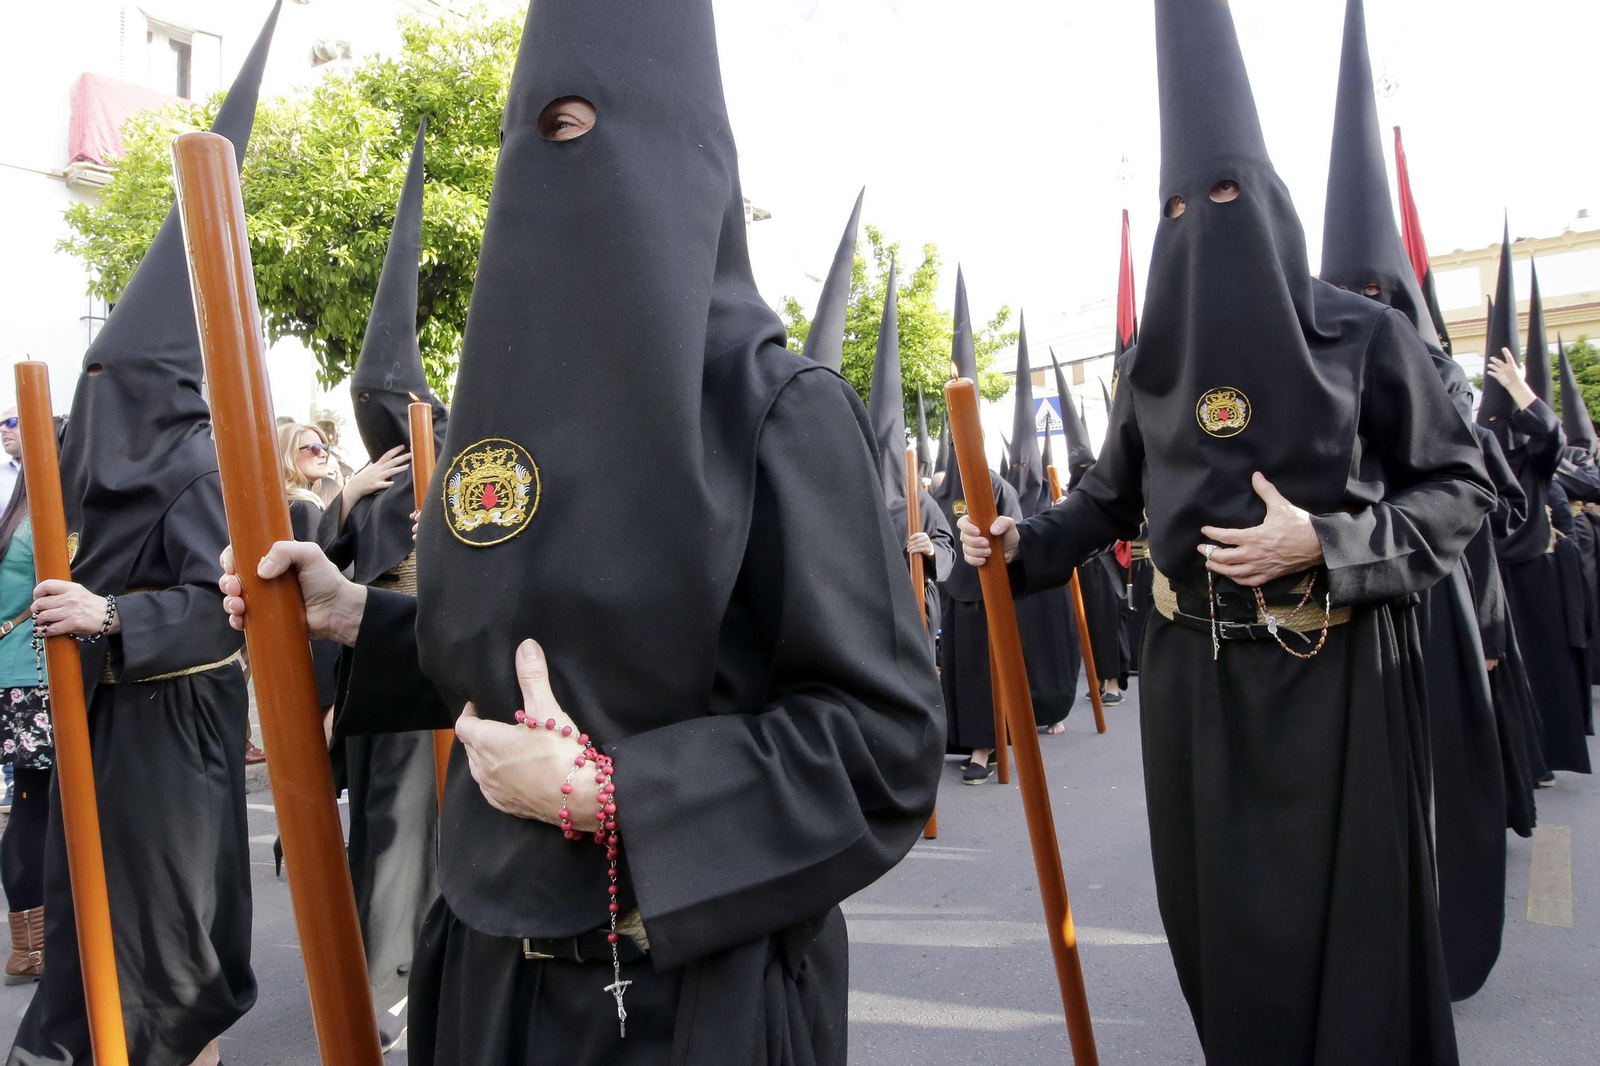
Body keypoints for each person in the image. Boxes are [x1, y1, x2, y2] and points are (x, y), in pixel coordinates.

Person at [224, 4, 941, 1062]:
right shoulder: (504, 412)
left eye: (584, 128)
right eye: (535, 135)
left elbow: (883, 747)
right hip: (480, 977)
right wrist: (353, 616)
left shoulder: (778, 411)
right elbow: (527, 659)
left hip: (689, 997)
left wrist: (618, 796)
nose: (555, 168)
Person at [960, 1, 1491, 1060]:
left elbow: (1459, 486)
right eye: (1176, 205)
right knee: (1223, 942)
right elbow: (1107, 500)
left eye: (1223, 193)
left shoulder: (1361, 335)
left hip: (1335, 676)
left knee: (1354, 946)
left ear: (1270, 200)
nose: (1200, 218)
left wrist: (1328, 545)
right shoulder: (1149, 363)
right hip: (1193, 684)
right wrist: (1025, 545)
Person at [5, 8, 281, 1065]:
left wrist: (111, 613)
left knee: (165, 958)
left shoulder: (207, 468)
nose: (101, 405)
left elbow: (223, 610)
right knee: (93, 931)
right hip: (105, 730)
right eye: (94, 384)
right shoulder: (90, 478)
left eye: (122, 385)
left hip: (174, 743)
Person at [1316, 0, 1512, 1001]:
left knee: (1435, 786)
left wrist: (1480, 620)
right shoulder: (1314, 358)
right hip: (1346, 608)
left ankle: (1435, 947)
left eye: (1375, 286)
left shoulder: (1432, 367)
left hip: (1426, 589)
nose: (1363, 303)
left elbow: (1462, 498)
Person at [312, 121, 438, 1051]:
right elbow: (335, 567)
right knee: (381, 837)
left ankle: (411, 973)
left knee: (416, 836)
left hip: (428, 662)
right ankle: (376, 969)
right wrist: (350, 500)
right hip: (374, 663)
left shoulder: (455, 465)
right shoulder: (369, 481)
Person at [934, 273, 1059, 783]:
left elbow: (1016, 535)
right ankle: (962, 739)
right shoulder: (944, 487)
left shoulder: (997, 487)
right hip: (954, 592)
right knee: (959, 673)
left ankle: (986, 747)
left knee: (985, 672)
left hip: (988, 594)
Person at [864, 260, 955, 653]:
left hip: (912, 612)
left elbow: (947, 546)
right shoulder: (853, 501)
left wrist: (929, 550)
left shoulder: (919, 502)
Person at [0, 419, 52, 986]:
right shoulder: (47, 524)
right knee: (44, 804)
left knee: (30, 804)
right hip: (37, 676)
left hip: (8, 677)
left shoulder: (10, 518)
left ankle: (27, 945)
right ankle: (41, 943)